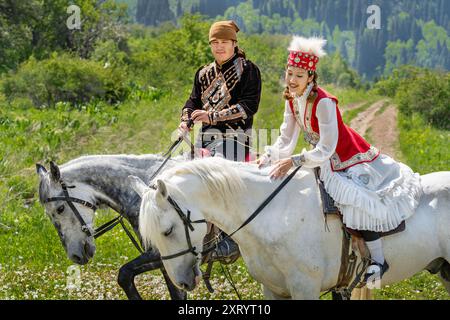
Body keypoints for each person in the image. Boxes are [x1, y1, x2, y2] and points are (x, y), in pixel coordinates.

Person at [257, 36, 422, 282]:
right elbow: (286, 139)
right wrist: (269, 155)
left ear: (310, 77)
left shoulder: (323, 102)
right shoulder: (291, 99)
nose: (292, 80)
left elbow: (326, 147)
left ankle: (378, 261)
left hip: (346, 158)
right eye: (289, 73)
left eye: (299, 75)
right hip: (321, 158)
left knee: (355, 199)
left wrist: (294, 161)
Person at [178, 20, 262, 262]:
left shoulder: (249, 70)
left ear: (234, 44)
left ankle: (227, 238)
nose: (219, 47)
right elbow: (191, 102)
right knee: (180, 170)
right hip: (206, 139)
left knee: (219, 172)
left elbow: (249, 107)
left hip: (237, 138)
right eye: (215, 43)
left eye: (224, 42)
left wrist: (212, 115)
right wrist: (185, 121)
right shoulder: (203, 73)